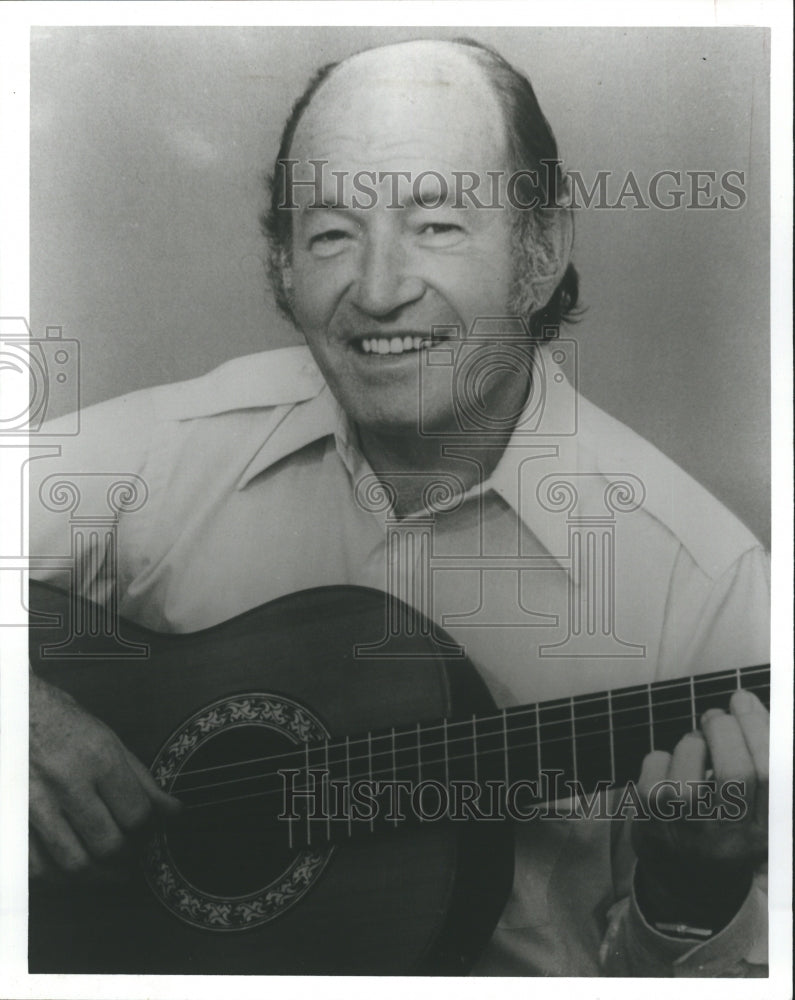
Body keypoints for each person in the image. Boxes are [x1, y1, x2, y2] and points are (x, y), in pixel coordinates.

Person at [28, 38, 769, 976]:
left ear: (540, 254)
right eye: (331, 233)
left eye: (438, 226)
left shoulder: (705, 585)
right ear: (284, 267)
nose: (377, 292)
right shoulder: (177, 447)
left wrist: (690, 896)